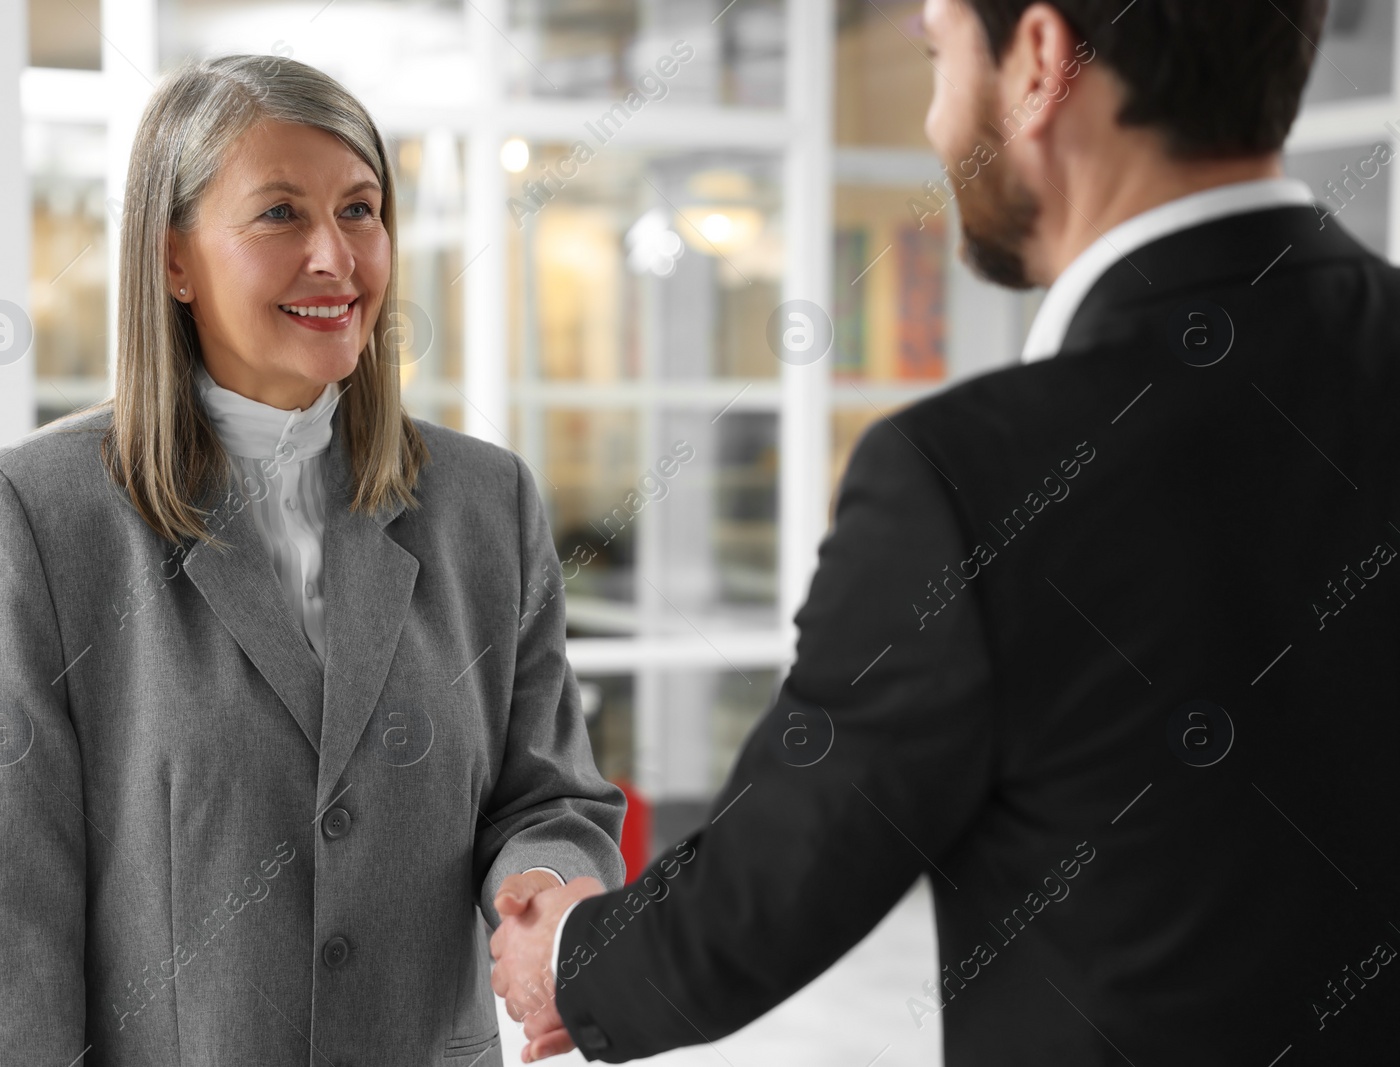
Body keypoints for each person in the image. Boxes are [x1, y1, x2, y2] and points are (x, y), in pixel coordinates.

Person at [490, 0, 1400, 1062]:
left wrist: (567, 953)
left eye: (937, 55)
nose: (931, 123)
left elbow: (777, 881)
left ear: (1038, 62)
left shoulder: (976, 473)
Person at [0, 54, 625, 1066]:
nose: (336, 257)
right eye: (280, 214)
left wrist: (549, 885)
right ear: (174, 260)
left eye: (360, 209)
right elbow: (0, 922)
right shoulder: (36, 517)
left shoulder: (487, 502)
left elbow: (549, 793)